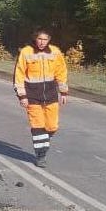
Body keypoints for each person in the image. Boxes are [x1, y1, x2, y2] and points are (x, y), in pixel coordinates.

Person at [12, 29, 68, 168]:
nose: (42, 42)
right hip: (32, 96)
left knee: (52, 126)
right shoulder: (26, 52)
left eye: (45, 39)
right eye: (40, 39)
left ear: (49, 40)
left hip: (50, 94)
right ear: (35, 38)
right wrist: (22, 96)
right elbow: (18, 75)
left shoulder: (55, 52)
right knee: (38, 127)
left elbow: (61, 72)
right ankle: (40, 156)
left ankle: (44, 141)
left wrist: (64, 92)